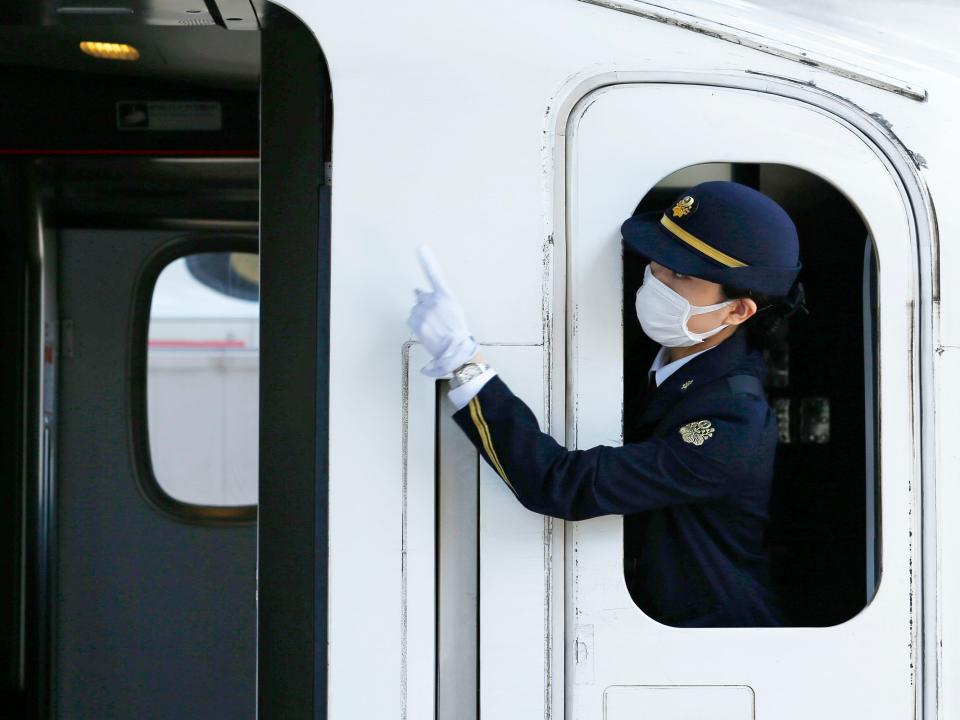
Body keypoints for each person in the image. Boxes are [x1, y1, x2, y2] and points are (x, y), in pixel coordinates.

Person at [406, 180, 806, 627]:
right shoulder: (651, 357)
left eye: (682, 276)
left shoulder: (734, 421)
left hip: (710, 640)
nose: (658, 280)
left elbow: (561, 484)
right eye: (658, 263)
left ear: (737, 312)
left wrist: (464, 365)